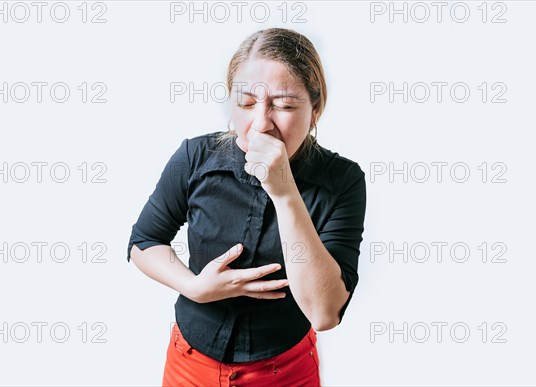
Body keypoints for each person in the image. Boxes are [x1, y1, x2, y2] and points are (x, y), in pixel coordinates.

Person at [127, 27, 367, 387]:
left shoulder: (343, 180)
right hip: (189, 363)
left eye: (284, 105)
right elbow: (143, 242)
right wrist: (195, 287)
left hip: (285, 372)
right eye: (245, 103)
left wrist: (284, 191)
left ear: (315, 109)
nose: (261, 123)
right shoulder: (195, 157)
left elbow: (324, 313)